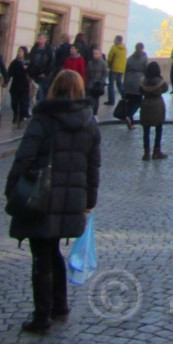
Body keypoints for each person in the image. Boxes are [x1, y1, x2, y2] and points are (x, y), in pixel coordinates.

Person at [5, 69, 100, 334]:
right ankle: (60, 304)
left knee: (41, 256)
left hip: (41, 197)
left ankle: (41, 316)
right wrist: (89, 201)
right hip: (70, 200)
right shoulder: (89, 122)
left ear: (54, 88)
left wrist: (11, 188)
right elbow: (94, 167)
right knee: (53, 249)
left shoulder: (43, 119)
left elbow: (24, 157)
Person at [139, 61, 168, 160]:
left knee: (146, 130)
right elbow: (165, 89)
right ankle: (156, 151)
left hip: (146, 104)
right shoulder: (160, 81)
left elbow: (140, 91)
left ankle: (146, 153)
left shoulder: (143, 81)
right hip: (157, 105)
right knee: (158, 128)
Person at [122, 43, 148, 130]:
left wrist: (124, 84)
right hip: (138, 81)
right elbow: (147, 70)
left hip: (129, 80)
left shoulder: (129, 58)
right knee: (138, 101)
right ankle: (129, 116)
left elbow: (125, 71)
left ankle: (131, 122)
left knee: (130, 102)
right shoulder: (144, 58)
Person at [7, 46, 31, 126]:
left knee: (23, 103)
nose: (19, 53)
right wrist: (6, 80)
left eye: (20, 51)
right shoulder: (14, 62)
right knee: (14, 103)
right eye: (18, 51)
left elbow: (32, 71)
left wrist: (27, 68)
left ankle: (21, 117)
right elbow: (9, 72)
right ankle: (15, 114)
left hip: (24, 86)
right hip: (15, 85)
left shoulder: (28, 62)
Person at [27, 35, 54, 103]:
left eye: (41, 39)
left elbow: (51, 63)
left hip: (43, 74)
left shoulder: (49, 49)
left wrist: (46, 73)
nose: (39, 40)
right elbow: (30, 59)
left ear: (45, 40)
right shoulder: (34, 48)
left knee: (41, 92)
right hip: (33, 73)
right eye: (38, 38)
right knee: (32, 93)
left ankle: (41, 106)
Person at [84, 48, 108, 116]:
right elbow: (87, 73)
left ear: (100, 54)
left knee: (96, 99)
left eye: (96, 54)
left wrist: (101, 82)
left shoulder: (103, 63)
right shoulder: (90, 63)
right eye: (94, 53)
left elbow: (105, 73)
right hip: (90, 84)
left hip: (98, 85)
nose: (94, 55)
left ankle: (95, 113)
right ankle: (89, 112)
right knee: (89, 98)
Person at [106, 35, 127, 106]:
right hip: (121, 69)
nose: (114, 40)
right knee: (119, 84)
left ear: (117, 40)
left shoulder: (114, 48)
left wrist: (108, 65)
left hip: (114, 68)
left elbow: (109, 58)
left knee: (111, 85)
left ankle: (111, 100)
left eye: (115, 39)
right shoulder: (124, 49)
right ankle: (125, 96)